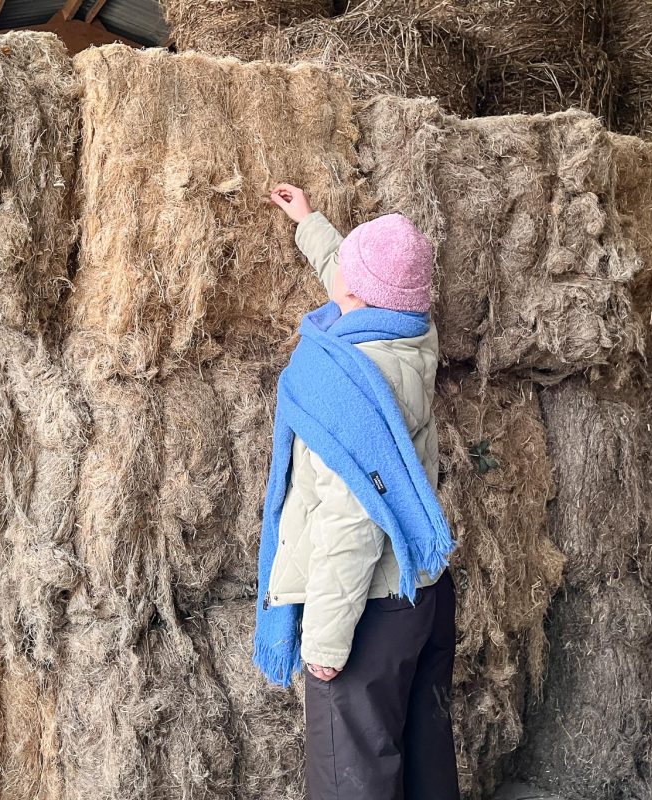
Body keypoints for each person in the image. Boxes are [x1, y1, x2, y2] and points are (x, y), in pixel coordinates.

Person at [254, 183, 459, 800]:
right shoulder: (411, 336)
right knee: (424, 758)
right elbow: (358, 279)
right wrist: (311, 223)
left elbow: (352, 521)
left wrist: (323, 642)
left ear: (356, 298)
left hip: (366, 608)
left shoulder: (352, 387)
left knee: (352, 777)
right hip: (422, 592)